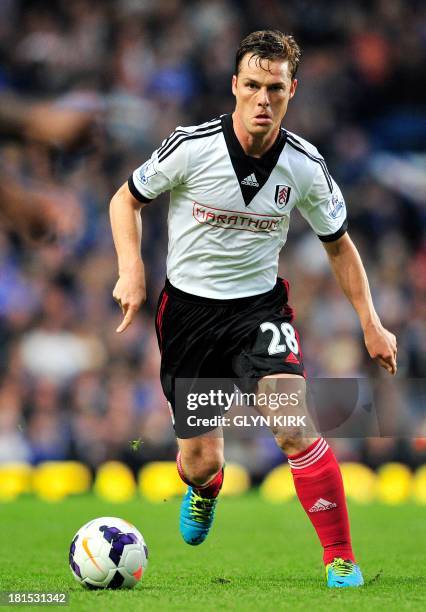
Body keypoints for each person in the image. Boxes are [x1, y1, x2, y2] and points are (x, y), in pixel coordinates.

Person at [109, 30, 397, 588]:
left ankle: (340, 559)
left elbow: (338, 243)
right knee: (201, 462)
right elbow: (127, 199)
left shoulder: (306, 167)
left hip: (259, 313)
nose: (264, 99)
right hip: (189, 315)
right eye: (254, 87)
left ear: (293, 91)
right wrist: (130, 270)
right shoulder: (191, 146)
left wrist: (371, 321)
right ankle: (204, 489)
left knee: (294, 428)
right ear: (234, 87)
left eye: (276, 88)